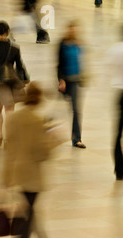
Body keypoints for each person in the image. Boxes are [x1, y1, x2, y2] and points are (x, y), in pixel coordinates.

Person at [3, 81, 56, 238]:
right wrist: (53, 137)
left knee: (27, 216)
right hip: (32, 178)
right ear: (39, 99)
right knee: (26, 221)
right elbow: (42, 153)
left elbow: (7, 149)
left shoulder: (12, 118)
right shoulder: (37, 121)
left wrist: (4, 177)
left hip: (15, 174)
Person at [0, 20, 29, 147]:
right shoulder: (14, 48)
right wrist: (25, 78)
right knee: (9, 111)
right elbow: (20, 66)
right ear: (8, 32)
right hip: (9, 83)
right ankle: (8, 137)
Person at [57, 20, 87, 149]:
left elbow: (81, 61)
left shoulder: (78, 44)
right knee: (58, 110)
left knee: (76, 110)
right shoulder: (62, 44)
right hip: (65, 81)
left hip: (75, 81)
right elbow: (58, 63)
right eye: (71, 29)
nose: (73, 31)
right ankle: (48, 133)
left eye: (75, 29)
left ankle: (77, 139)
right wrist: (60, 79)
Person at [106, 25, 123, 180]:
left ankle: (119, 169)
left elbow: (109, 68)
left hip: (119, 93)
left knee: (118, 133)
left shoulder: (114, 49)